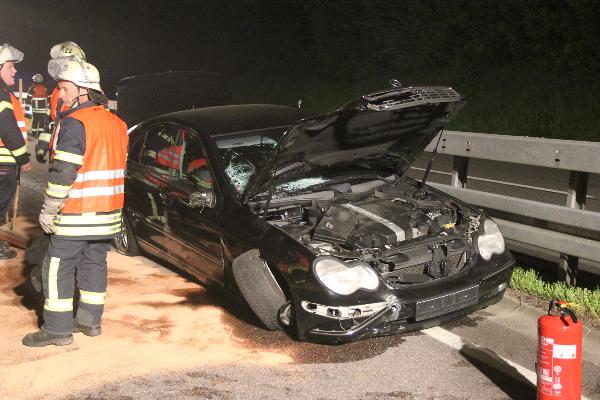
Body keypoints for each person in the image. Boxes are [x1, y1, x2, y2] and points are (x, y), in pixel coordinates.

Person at [22, 55, 128, 347]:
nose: (61, 94)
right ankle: (90, 321)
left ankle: (57, 329)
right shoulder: (118, 124)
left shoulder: (74, 123)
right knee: (94, 263)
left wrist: (49, 210)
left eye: (65, 88)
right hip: (108, 214)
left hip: (76, 214)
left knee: (57, 266)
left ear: (83, 90)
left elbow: (63, 173)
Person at [0, 43, 32, 259]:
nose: (15, 70)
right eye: (10, 66)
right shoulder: (1, 94)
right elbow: (7, 127)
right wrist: (23, 157)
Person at [35, 41, 86, 163]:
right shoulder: (56, 92)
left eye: (65, 64)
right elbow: (49, 124)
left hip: (77, 163)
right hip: (56, 159)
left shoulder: (88, 92)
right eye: (60, 63)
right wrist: (42, 147)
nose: (61, 68)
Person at [25, 73, 49, 140]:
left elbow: (29, 97)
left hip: (36, 109)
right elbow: (48, 97)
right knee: (42, 121)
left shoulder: (33, 88)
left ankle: (34, 133)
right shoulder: (45, 88)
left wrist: (27, 106)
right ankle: (40, 133)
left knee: (35, 120)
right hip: (43, 109)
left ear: (35, 80)